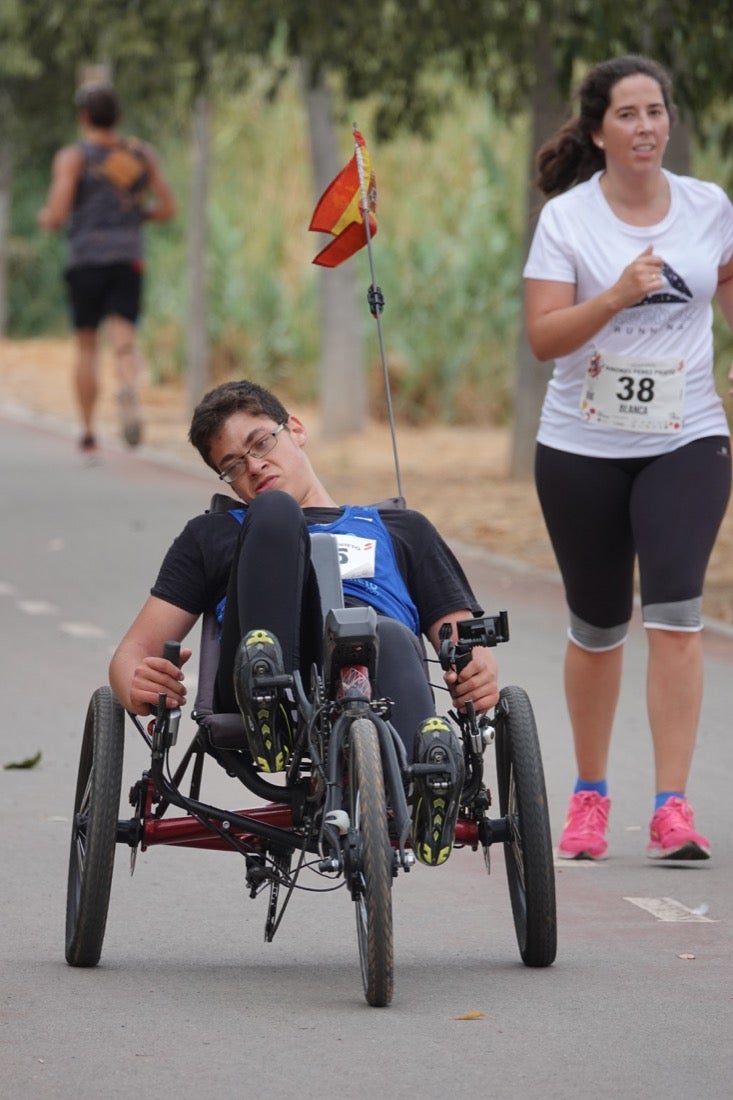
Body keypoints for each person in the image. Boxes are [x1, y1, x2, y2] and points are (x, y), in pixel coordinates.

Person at [108, 380, 500, 865]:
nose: (253, 466)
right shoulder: (213, 535)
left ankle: (426, 787)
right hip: (270, 667)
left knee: (387, 633)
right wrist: (137, 682)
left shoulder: (403, 530)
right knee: (275, 511)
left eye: (260, 443)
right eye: (232, 466)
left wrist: (478, 672)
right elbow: (131, 653)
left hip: (379, 668)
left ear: (294, 429)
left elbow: (463, 642)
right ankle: (268, 699)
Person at [523, 54, 733, 862]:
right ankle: (589, 798)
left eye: (655, 112)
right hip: (580, 448)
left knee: (675, 616)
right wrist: (613, 294)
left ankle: (671, 807)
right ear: (596, 131)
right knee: (598, 627)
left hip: (687, 437)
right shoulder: (567, 220)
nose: (645, 127)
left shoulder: (708, 206)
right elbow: (544, 336)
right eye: (627, 114)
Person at [37, 81, 176, 453]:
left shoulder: (73, 158)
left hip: (86, 259)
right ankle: (128, 389)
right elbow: (167, 208)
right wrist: (136, 216)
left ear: (84, 117)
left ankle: (87, 431)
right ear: (118, 117)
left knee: (87, 346)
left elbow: (57, 213)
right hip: (127, 257)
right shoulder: (140, 154)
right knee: (124, 342)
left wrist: (46, 218)